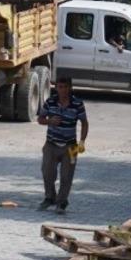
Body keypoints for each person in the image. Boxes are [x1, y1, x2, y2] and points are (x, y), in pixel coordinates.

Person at [37, 76, 88, 215]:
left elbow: (84, 123)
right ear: (56, 88)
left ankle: (62, 202)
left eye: (66, 87)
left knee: (67, 176)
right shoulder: (50, 102)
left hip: (71, 146)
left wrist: (82, 142)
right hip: (51, 144)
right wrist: (50, 121)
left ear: (70, 88)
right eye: (60, 87)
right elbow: (40, 119)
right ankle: (49, 197)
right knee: (47, 172)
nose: (63, 90)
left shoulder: (77, 104)